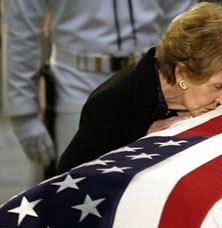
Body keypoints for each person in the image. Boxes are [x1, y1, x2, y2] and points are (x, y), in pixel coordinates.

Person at [57, 1, 222, 174]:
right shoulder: (112, 103)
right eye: (218, 86)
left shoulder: (197, 98)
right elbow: (69, 182)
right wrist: (140, 148)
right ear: (182, 74)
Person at [1, 0, 196, 173]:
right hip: (76, 80)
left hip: (152, 76)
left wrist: (189, 85)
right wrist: (23, 112)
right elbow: (21, 29)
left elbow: (184, 19)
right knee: (77, 185)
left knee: (154, 178)